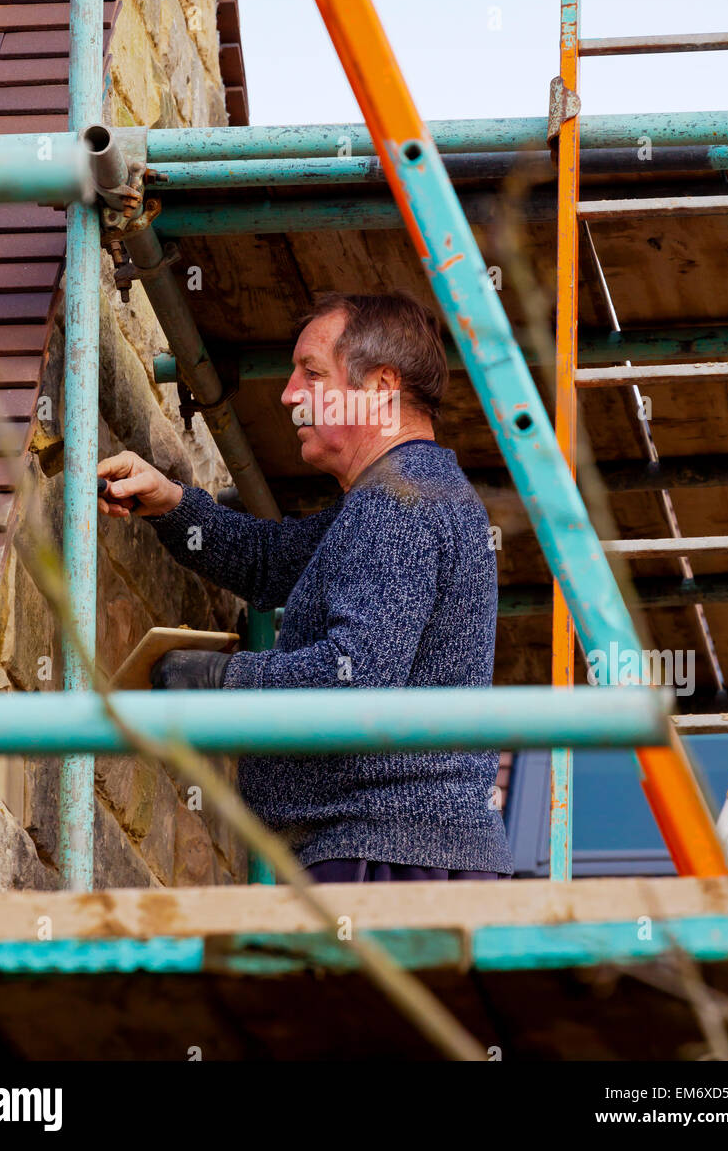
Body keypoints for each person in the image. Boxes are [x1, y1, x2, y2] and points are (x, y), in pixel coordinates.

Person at [98, 291, 514, 883]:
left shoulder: (400, 502)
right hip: (394, 853)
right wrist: (171, 504)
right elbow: (272, 560)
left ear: (379, 388)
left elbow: (355, 677)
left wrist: (220, 677)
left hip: (387, 860)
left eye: (311, 372)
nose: (290, 393)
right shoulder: (395, 496)